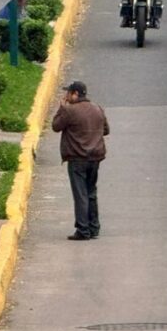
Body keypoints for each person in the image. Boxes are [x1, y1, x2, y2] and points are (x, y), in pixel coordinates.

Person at [52, 81, 109, 241]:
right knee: (91, 192)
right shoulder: (98, 109)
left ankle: (83, 229)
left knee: (80, 194)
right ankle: (94, 227)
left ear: (75, 93)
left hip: (77, 158)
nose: (66, 96)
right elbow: (106, 129)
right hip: (95, 157)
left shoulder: (69, 111)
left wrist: (61, 108)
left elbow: (55, 126)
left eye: (68, 93)